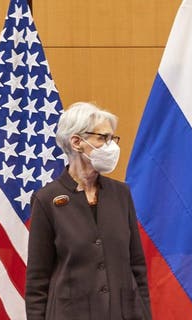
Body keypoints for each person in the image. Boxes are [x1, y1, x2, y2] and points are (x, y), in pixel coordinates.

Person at [25, 102, 152, 319]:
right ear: (76, 142)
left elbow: (137, 266)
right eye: (103, 138)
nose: (110, 146)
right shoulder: (46, 200)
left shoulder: (121, 193)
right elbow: (38, 281)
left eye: (112, 138)